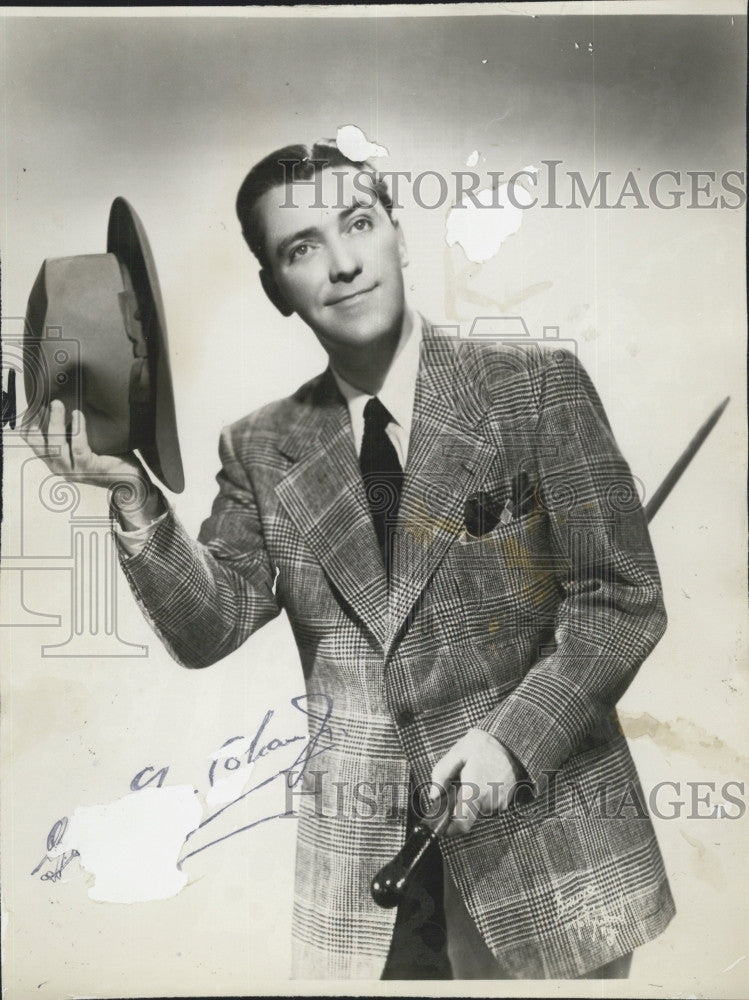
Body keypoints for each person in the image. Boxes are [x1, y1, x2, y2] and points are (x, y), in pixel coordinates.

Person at [22, 139, 675, 981]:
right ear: (275, 289)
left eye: (357, 223)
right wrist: (128, 491)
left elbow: (619, 601)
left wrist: (513, 744)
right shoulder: (261, 445)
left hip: (547, 862)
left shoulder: (535, 388)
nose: (341, 265)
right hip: (362, 892)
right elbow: (208, 625)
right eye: (301, 248)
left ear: (396, 232)